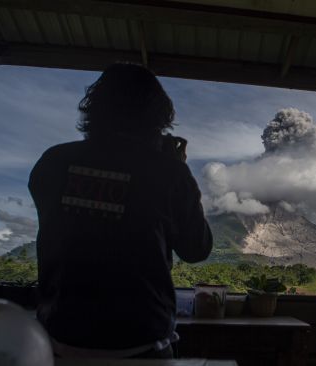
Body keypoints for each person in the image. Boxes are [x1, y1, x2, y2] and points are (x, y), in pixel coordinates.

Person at [29, 63, 213, 358]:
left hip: (59, 339)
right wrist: (176, 169)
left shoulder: (53, 161)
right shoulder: (168, 172)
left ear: (95, 111)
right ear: (157, 119)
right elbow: (197, 249)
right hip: (141, 342)